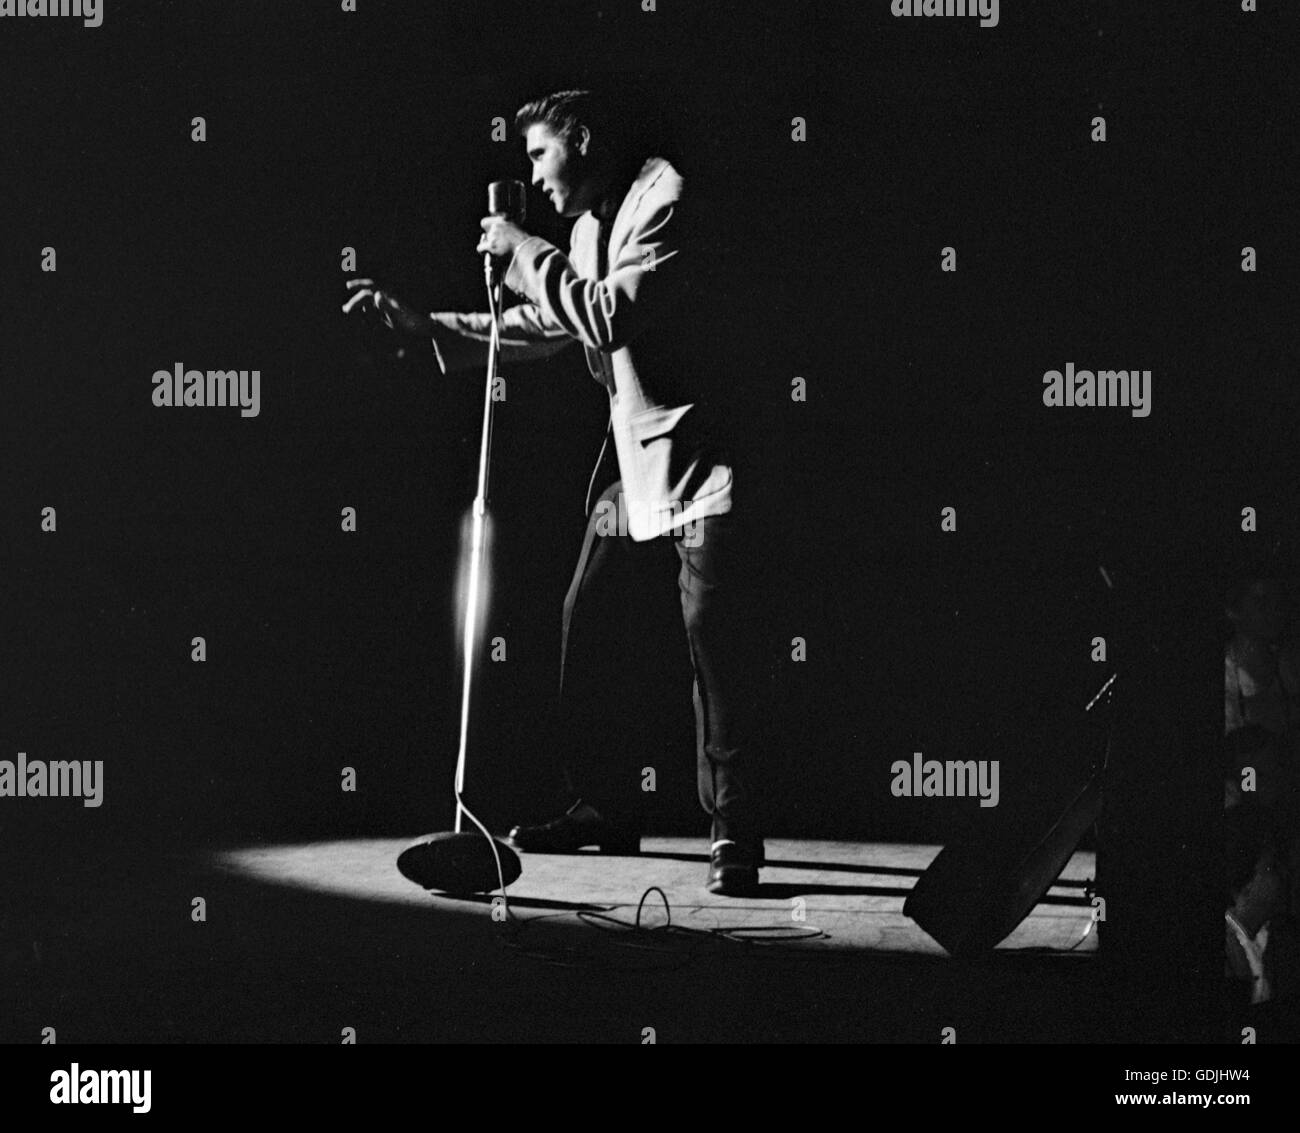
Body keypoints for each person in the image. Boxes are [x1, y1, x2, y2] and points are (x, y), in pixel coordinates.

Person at [343, 90, 765, 895]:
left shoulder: (664, 197)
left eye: (539, 154)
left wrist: (526, 248)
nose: (532, 176)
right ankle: (602, 803)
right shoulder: (580, 229)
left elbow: (609, 315)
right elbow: (548, 324)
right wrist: (425, 325)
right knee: (589, 614)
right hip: (637, 460)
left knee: (712, 631)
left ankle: (735, 830)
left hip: (704, 455)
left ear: (582, 136)